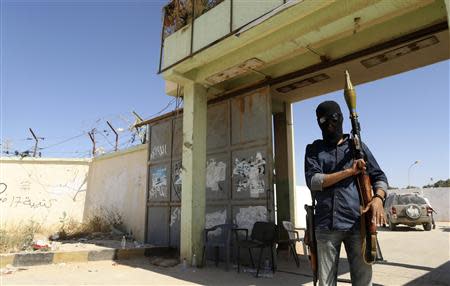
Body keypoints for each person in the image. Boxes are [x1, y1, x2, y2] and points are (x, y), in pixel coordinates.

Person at [304, 100, 388, 286]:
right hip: (325, 226)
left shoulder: (357, 147)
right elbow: (315, 182)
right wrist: (349, 172)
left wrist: (378, 198)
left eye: (333, 118)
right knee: (325, 282)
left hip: (357, 225)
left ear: (341, 117)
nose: (329, 125)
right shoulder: (314, 150)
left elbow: (379, 176)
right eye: (323, 120)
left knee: (363, 280)